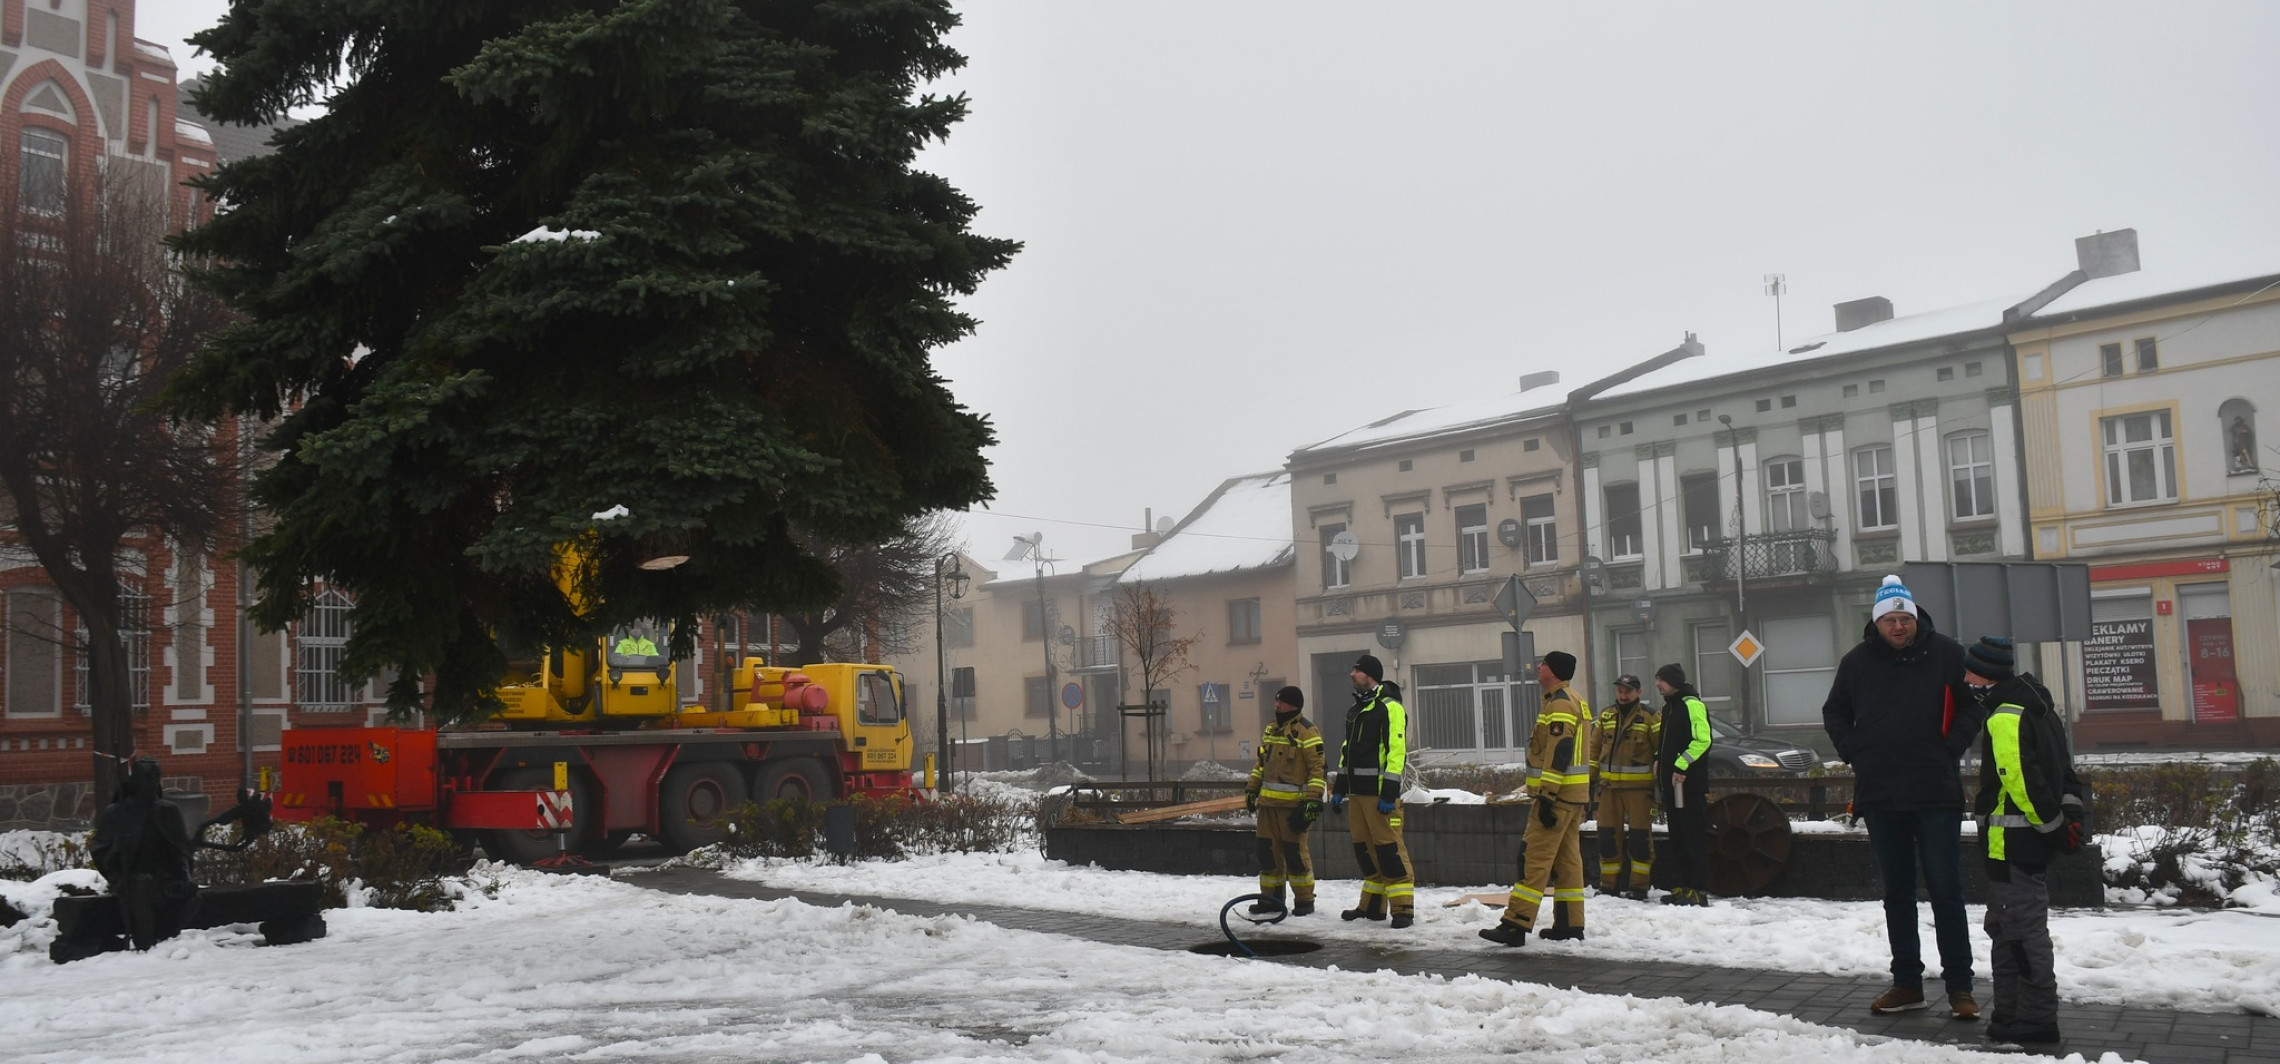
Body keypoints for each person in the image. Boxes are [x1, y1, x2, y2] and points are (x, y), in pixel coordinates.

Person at [1823, 574, 1986, 1019]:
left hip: (1935, 792)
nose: (1898, 627)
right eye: (1890, 620)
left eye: (1904, 619)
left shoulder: (1948, 654)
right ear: (1876, 623)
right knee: (1897, 893)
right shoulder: (1856, 662)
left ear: (1916, 619)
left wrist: (1950, 747)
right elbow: (1835, 712)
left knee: (1946, 891)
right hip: (1881, 793)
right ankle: (1907, 984)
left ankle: (1960, 988)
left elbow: (1972, 705)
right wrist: (1856, 751)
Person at [1965, 636, 2087, 1052]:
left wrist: (2051, 827)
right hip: (2026, 842)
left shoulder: (2005, 715)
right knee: (2008, 928)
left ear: (1986, 675)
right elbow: (2065, 772)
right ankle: (2009, 1015)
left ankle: (2033, 1020)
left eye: (1969, 672)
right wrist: (2068, 819)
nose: (1965, 680)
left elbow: (2020, 781)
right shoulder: (2039, 705)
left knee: (2020, 933)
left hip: (2011, 843)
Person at [1481, 651, 1594, 946]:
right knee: (1568, 862)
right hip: (1573, 796)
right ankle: (1570, 924)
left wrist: (1546, 796)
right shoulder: (1574, 698)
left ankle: (1515, 924)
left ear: (1553, 671)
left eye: (1543, 664)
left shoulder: (1560, 703)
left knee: (1534, 858)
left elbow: (1560, 750)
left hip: (1557, 797)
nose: (1539, 666)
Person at [1328, 654, 1414, 928]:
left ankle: (1403, 909)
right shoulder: (1356, 710)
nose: (1352, 675)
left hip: (1379, 796)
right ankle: (1373, 906)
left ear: (1370, 675)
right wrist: (1340, 789)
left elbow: (1396, 751)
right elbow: (1347, 753)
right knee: (1365, 851)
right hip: (1358, 795)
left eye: (1357, 671)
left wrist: (1389, 793)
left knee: (1390, 850)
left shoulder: (1390, 707)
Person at [1244, 685, 1327, 916]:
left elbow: (1317, 769)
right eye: (1276, 700)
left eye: (1281, 701)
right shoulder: (1271, 730)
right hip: (1267, 808)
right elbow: (1261, 765)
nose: (1277, 705)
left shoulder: (1307, 732)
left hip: (1292, 809)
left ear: (1294, 705)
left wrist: (1312, 801)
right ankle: (1270, 900)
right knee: (1267, 854)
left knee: (1295, 855)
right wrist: (1252, 789)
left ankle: (1304, 900)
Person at [1594, 674, 1659, 901]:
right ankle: (1608, 886)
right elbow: (1593, 750)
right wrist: (1590, 781)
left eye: (1628, 692)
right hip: (1608, 789)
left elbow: (1661, 749)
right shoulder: (1606, 716)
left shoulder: (1650, 717)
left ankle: (1638, 887)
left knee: (1640, 839)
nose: (1623, 696)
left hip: (1640, 791)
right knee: (1607, 837)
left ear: (1638, 692)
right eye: (1620, 691)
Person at [1654, 663, 1713, 906]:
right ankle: (1684, 886)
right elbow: (1667, 743)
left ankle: (1698, 889)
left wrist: (1680, 766)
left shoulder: (1692, 704)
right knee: (1678, 839)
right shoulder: (1669, 707)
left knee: (1693, 838)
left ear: (1674, 682)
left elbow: (1702, 740)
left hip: (1689, 786)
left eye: (1662, 680)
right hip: (1672, 787)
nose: (1658, 684)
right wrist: (1658, 760)